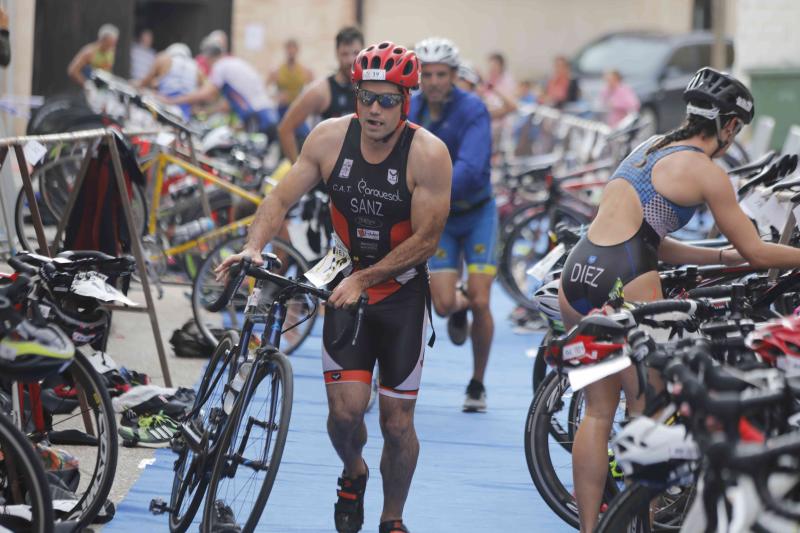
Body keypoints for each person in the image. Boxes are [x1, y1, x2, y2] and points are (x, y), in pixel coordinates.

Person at [215, 41, 451, 533]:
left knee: (396, 423)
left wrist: (367, 278)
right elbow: (279, 196)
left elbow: (427, 239)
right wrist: (255, 245)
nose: (374, 110)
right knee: (345, 417)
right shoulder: (327, 139)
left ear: (405, 103)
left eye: (387, 100)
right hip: (343, 283)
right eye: (366, 97)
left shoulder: (428, 154)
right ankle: (353, 471)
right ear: (355, 96)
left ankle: (392, 519)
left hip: (400, 293)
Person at [557, 67, 800, 533]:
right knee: (647, 412)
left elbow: (652, 239)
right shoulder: (707, 172)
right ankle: (642, 523)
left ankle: (590, 529)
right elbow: (757, 251)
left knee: (597, 411)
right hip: (626, 277)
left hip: (579, 272)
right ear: (729, 126)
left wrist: (720, 256)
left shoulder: (648, 148)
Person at [409, 37, 495, 412]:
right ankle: (457, 307)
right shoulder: (411, 108)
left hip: (476, 213)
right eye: (426, 74)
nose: (434, 82)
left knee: (481, 298)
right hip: (439, 218)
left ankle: (477, 383)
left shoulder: (473, 108)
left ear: (454, 75)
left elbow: (472, 170)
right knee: (443, 306)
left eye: (441, 74)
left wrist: (426, 189)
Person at [277, 26, 364, 163]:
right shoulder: (321, 90)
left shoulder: (368, 90)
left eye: (355, 53)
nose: (350, 60)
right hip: (325, 173)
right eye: (345, 54)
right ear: (336, 54)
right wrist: (298, 168)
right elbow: (285, 129)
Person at [165, 39, 277, 135]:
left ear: (208, 58)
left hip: (256, 116)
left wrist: (173, 100)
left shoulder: (220, 66)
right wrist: (204, 111)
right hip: (268, 113)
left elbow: (206, 94)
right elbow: (226, 106)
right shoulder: (234, 62)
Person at [136, 43, 201, 121]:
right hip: (184, 114)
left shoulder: (164, 58)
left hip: (162, 107)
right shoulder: (197, 68)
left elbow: (144, 83)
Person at [269, 38, 314, 118]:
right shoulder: (276, 71)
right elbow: (265, 92)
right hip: (282, 109)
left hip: (298, 109)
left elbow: (315, 92)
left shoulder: (306, 71)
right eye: (289, 48)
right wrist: (276, 97)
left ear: (297, 50)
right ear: (285, 50)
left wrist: (304, 99)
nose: (291, 51)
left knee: (304, 130)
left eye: (293, 48)